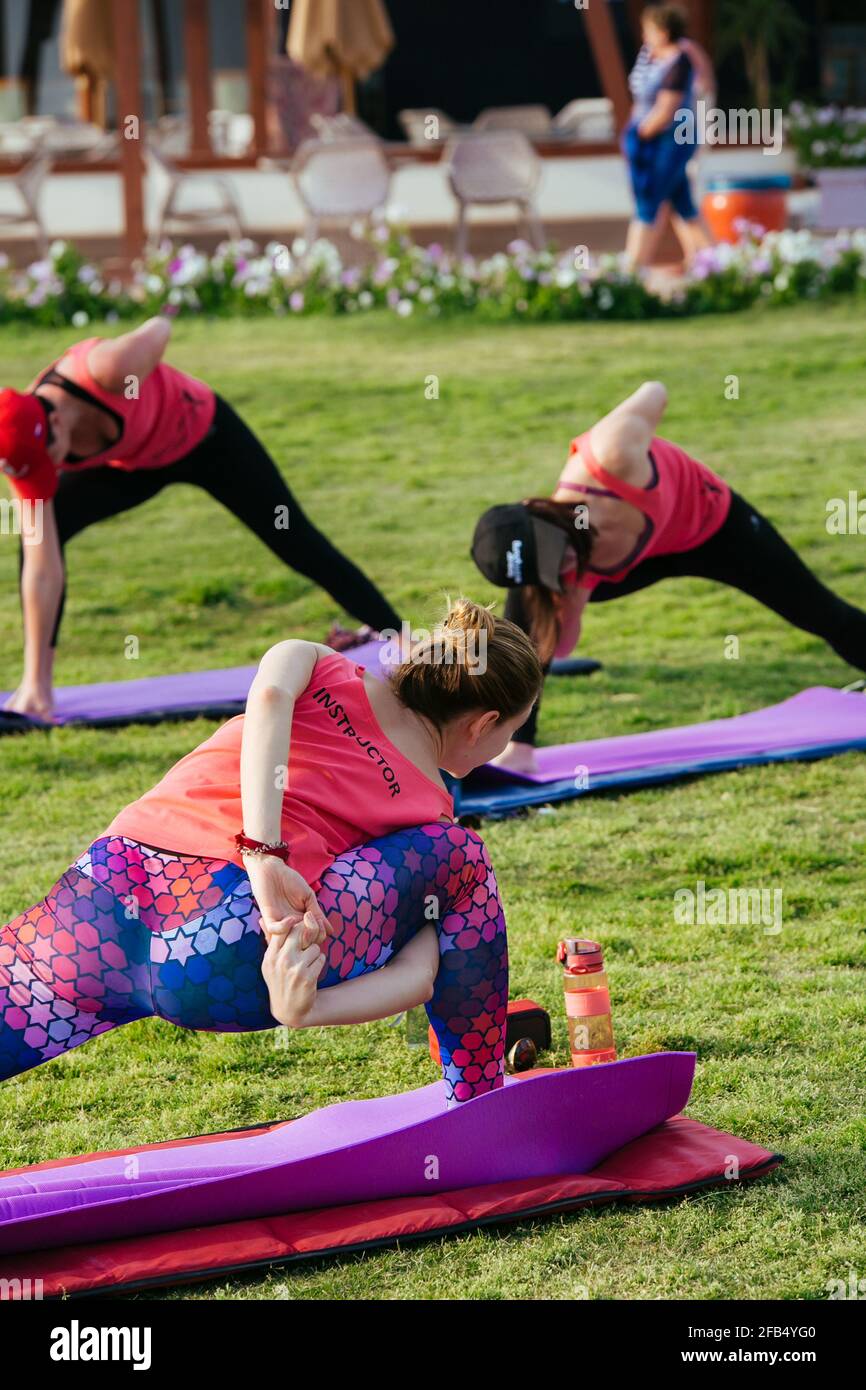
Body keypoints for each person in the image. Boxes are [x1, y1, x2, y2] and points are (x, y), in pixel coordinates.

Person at [0, 600, 542, 1107]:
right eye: (511, 731)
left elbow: (267, 697)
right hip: (225, 943)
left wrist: (262, 848)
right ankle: (481, 1095)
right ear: (483, 724)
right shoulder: (430, 814)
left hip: (99, 899)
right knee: (464, 857)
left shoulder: (319, 662)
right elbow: (420, 974)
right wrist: (306, 1006)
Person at [0, 316, 401, 724]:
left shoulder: (109, 368)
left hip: (205, 437)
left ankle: (401, 640)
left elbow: (160, 327)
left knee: (295, 539)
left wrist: (144, 357)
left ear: (53, 421)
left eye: (47, 461)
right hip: (133, 466)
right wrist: (33, 688)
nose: (48, 472)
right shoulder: (22, 449)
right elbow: (41, 570)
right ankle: (38, 685)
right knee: (46, 530)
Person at [470, 381, 866, 772]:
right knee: (528, 621)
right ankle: (518, 750)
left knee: (820, 611)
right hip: (639, 557)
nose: (563, 567)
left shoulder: (611, 454)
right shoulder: (565, 568)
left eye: (554, 555)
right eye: (549, 570)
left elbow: (655, 391)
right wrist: (559, 602)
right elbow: (564, 643)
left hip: (708, 526)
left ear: (540, 512)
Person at [623, 3, 712, 269]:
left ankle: (631, 270)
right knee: (682, 202)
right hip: (650, 137)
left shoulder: (681, 60)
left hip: (670, 140)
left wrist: (638, 133)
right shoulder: (650, 57)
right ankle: (716, 262)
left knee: (648, 200)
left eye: (648, 30)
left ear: (663, 31)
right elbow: (641, 97)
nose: (644, 36)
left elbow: (666, 110)